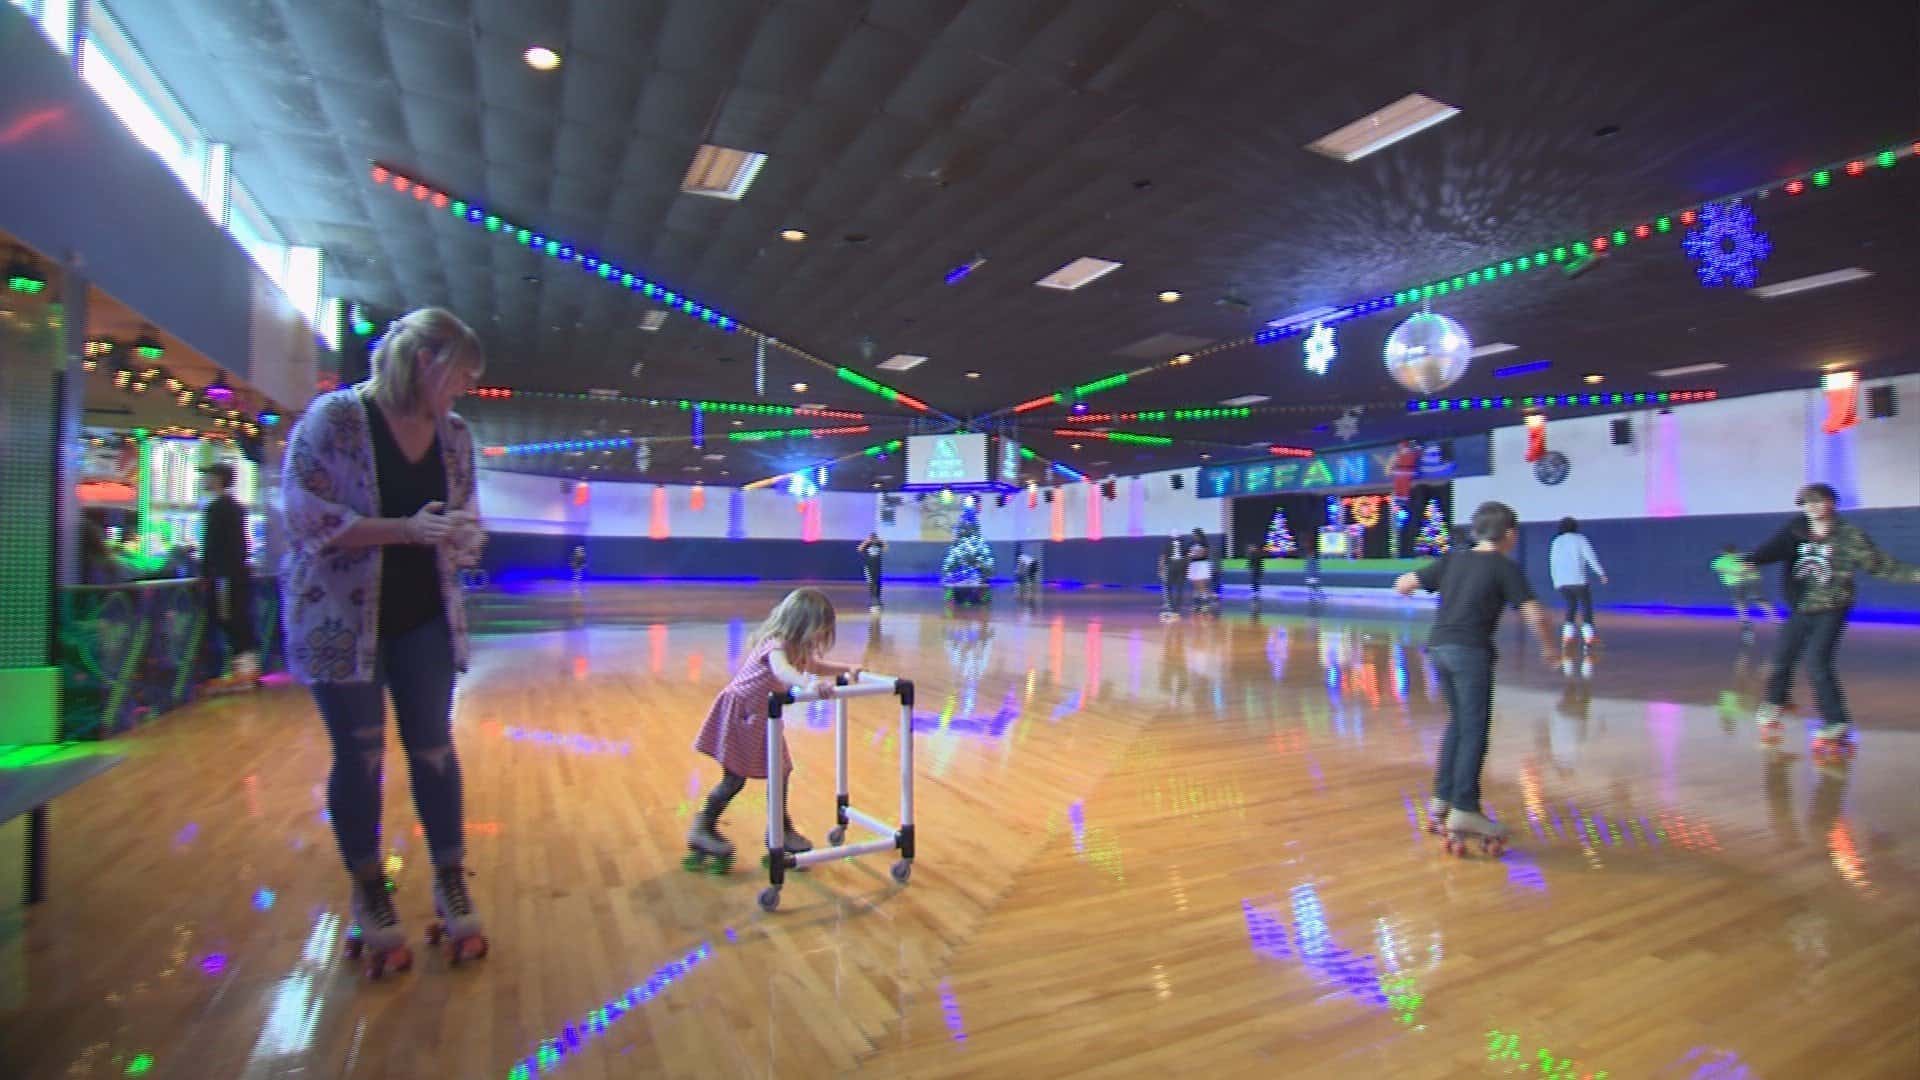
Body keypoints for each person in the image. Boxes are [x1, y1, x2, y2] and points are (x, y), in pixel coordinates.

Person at [281, 307, 490, 975]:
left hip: (425, 615)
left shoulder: (455, 436)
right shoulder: (335, 421)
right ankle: (370, 889)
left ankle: (450, 875)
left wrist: (463, 537)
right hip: (341, 618)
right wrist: (405, 529)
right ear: (425, 363)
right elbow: (307, 518)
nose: (462, 390)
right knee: (361, 753)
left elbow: (464, 519)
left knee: (433, 748)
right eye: (458, 375)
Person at [1395, 501, 1560, 852]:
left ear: (1476, 532)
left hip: (1439, 648)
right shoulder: (1503, 568)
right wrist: (1550, 649)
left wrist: (1427, 586)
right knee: (1474, 731)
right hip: (1470, 653)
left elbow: (1404, 584)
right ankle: (1464, 809)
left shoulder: (1455, 559)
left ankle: (1442, 800)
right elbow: (1536, 615)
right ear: (1510, 534)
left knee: (1459, 724)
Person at [687, 587, 864, 869]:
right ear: (802, 623)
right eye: (820, 629)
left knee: (781, 771)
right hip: (742, 714)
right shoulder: (776, 644)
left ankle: (780, 831)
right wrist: (807, 684)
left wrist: (845, 669)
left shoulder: (798, 648)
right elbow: (782, 671)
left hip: (764, 716)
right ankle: (702, 827)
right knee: (734, 779)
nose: (820, 637)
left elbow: (815, 665)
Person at [1746, 482, 1920, 751]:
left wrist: (1916, 575)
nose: (1811, 507)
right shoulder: (1796, 530)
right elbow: (1772, 549)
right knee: (1781, 658)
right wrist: (1751, 560)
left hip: (1832, 609)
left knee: (1817, 663)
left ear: (1832, 503)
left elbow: (1882, 565)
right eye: (1805, 502)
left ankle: (1836, 722)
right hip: (1802, 607)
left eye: (1817, 501)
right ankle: (1776, 702)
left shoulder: (1850, 536)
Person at [199, 461, 260, 692]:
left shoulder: (217, 508)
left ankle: (239, 672)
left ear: (218, 479)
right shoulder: (236, 507)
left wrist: (206, 574)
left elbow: (212, 547)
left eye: (207, 476)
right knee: (240, 619)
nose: (204, 480)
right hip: (236, 575)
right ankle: (247, 670)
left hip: (224, 578)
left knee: (228, 619)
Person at [1548, 517, 1607, 647]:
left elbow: (1552, 562)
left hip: (1562, 581)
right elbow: (1590, 557)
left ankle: (1567, 636)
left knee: (1571, 606)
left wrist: (1555, 581)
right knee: (1586, 606)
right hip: (1578, 580)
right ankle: (1589, 637)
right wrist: (1601, 573)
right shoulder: (1580, 539)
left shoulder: (1556, 541)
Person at [1712, 543, 1775, 640]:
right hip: (1753, 580)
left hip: (1736, 582)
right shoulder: (1747, 556)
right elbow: (1754, 566)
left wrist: (1737, 573)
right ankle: (1774, 618)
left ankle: (1745, 621)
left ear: (1723, 552)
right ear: (1735, 550)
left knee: (1740, 601)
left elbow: (1720, 570)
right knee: (1759, 599)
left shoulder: (1719, 560)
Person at [1186, 528, 1214, 616]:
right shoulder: (1191, 543)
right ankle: (1197, 604)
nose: (1194, 536)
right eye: (1193, 534)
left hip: (1202, 564)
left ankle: (1205, 605)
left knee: (1201, 585)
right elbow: (1188, 554)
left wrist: (1194, 554)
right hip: (1193, 565)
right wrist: (1190, 555)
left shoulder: (1204, 543)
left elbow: (1203, 554)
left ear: (1199, 534)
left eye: (1195, 534)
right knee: (1195, 585)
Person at [1158, 534, 1187, 620]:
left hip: (1171, 566)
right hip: (1180, 566)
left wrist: (1160, 568)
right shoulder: (1183, 545)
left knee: (1168, 587)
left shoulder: (1168, 544)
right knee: (1179, 588)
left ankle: (1170, 607)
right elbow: (1186, 558)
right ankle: (1176, 609)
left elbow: (1163, 557)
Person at [857, 532, 885, 611]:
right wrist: (866, 541)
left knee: (878, 582)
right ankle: (873, 599)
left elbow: (885, 548)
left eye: (874, 538)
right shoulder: (867, 545)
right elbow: (859, 549)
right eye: (872, 538)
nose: (873, 540)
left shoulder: (879, 544)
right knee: (871, 582)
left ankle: (878, 598)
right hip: (868, 567)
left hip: (877, 566)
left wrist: (880, 541)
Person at [1245, 541, 1266, 607]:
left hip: (1257, 570)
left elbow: (1259, 562)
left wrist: (1261, 570)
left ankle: (1256, 592)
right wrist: (1248, 568)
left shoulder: (1256, 554)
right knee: (1254, 581)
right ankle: (1255, 592)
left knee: (1256, 581)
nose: (1250, 548)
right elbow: (1250, 562)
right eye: (1250, 548)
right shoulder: (1252, 554)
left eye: (1251, 548)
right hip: (1255, 570)